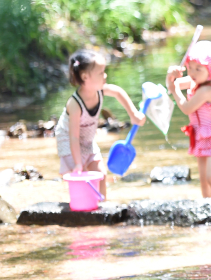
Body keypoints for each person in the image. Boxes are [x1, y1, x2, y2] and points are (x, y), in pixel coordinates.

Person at [55, 50, 146, 198]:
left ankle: (102, 207)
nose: (105, 76)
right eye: (101, 73)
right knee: (82, 177)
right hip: (69, 139)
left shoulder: (100, 91)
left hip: (87, 139)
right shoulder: (75, 104)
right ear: (85, 77)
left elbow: (118, 92)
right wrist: (78, 163)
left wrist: (133, 114)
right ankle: (82, 207)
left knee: (101, 174)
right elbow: (74, 138)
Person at [167, 41, 211, 198]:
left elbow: (186, 107)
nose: (193, 72)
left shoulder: (206, 90)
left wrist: (174, 91)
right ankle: (208, 211)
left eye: (198, 69)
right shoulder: (193, 81)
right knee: (204, 180)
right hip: (200, 135)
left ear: (210, 71)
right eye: (190, 67)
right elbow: (171, 85)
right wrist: (170, 75)